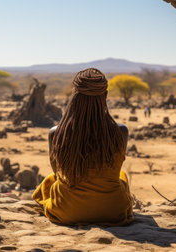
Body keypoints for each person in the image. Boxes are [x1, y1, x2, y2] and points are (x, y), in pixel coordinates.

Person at [32, 68, 133, 225]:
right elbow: (113, 168)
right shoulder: (121, 132)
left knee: (50, 181)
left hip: (67, 211)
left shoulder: (56, 133)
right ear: (105, 96)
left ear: (74, 96)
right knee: (121, 176)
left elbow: (57, 173)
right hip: (113, 211)